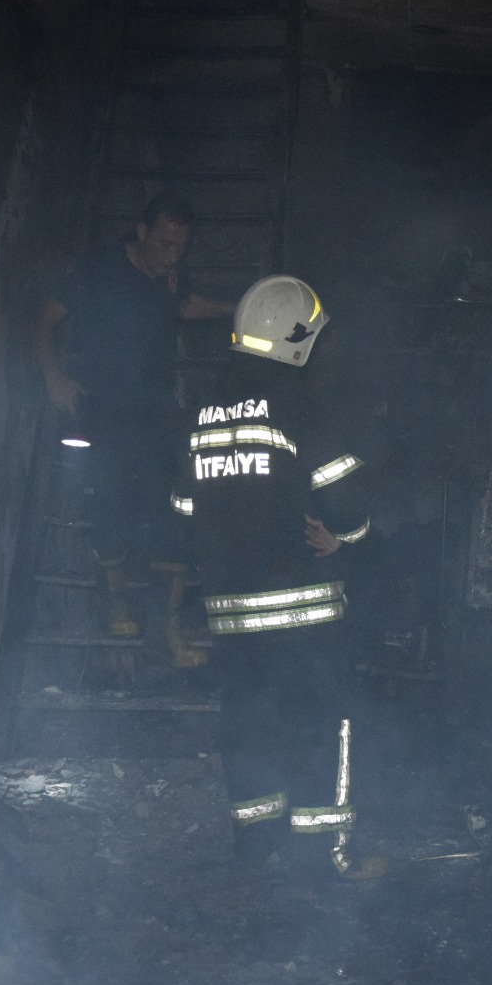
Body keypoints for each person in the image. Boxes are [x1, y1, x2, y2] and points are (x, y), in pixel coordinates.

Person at [169, 274, 374, 878]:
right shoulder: (300, 405)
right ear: (297, 341)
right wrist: (347, 538)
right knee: (318, 722)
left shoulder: (202, 412)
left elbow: (182, 510)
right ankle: (324, 854)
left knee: (248, 724)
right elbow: (350, 502)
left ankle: (257, 849)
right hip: (303, 611)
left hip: (230, 615)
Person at [29, 192, 235, 667]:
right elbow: (42, 319)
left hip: (156, 409)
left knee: (170, 508)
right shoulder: (99, 269)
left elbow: (184, 306)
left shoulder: (169, 277)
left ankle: (166, 630)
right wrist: (54, 376)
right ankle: (116, 602)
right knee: (112, 502)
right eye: (164, 242)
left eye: (180, 246)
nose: (172, 253)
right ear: (141, 233)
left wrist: (238, 307)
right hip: (104, 409)